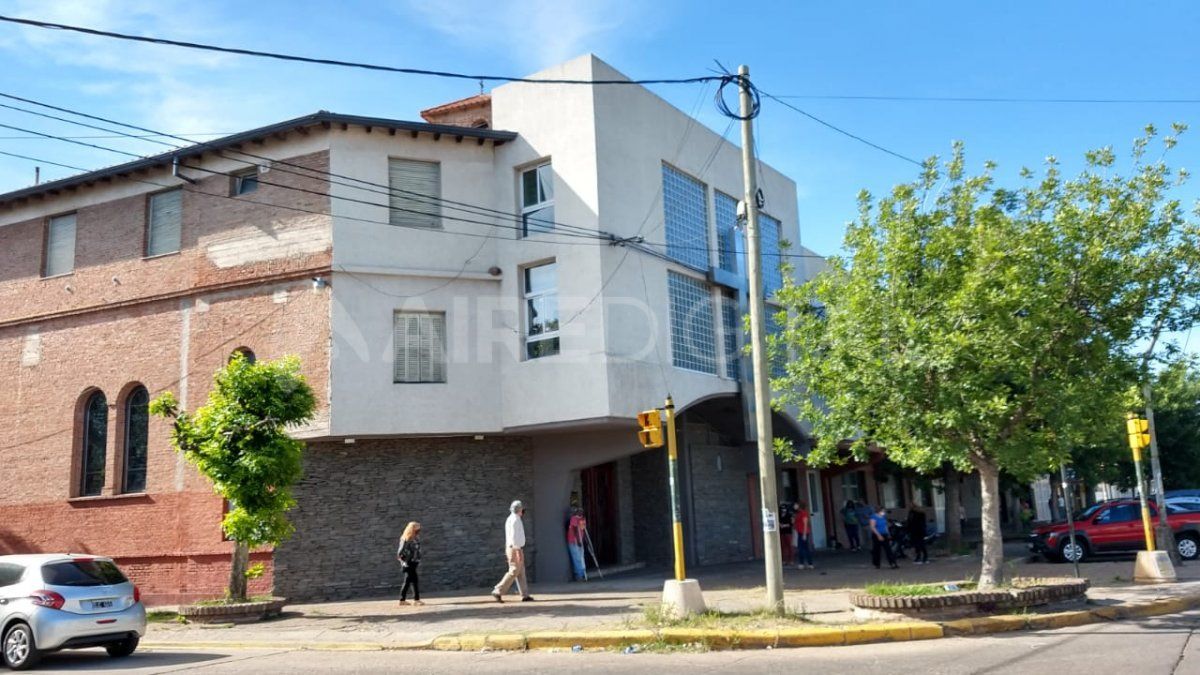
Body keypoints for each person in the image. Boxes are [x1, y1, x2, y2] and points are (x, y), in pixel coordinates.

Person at [492, 500, 534, 602]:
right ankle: (498, 590)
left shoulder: (510, 519)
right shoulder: (516, 520)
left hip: (512, 548)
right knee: (514, 570)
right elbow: (515, 537)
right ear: (519, 509)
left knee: (521, 572)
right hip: (515, 548)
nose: (523, 510)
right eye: (521, 508)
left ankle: (525, 594)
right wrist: (518, 550)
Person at [396, 521, 423, 606]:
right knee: (413, 580)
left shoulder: (416, 537)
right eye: (417, 528)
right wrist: (405, 562)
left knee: (409, 581)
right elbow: (400, 552)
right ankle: (415, 600)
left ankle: (403, 600)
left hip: (414, 562)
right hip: (409, 562)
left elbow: (417, 550)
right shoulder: (405, 539)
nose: (419, 530)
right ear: (412, 529)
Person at [567, 507, 588, 582]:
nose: (580, 513)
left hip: (578, 541)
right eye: (579, 512)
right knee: (578, 558)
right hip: (575, 541)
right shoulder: (575, 518)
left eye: (581, 512)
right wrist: (579, 540)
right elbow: (575, 529)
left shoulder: (581, 519)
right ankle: (580, 575)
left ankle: (581, 574)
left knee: (579, 558)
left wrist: (583, 540)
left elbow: (581, 530)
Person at [793, 500, 814, 569]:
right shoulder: (797, 513)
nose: (794, 506)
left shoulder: (803, 513)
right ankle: (807, 563)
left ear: (799, 506)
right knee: (804, 548)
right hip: (799, 532)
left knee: (802, 548)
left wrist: (804, 534)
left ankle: (804, 563)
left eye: (796, 505)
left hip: (803, 532)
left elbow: (805, 523)